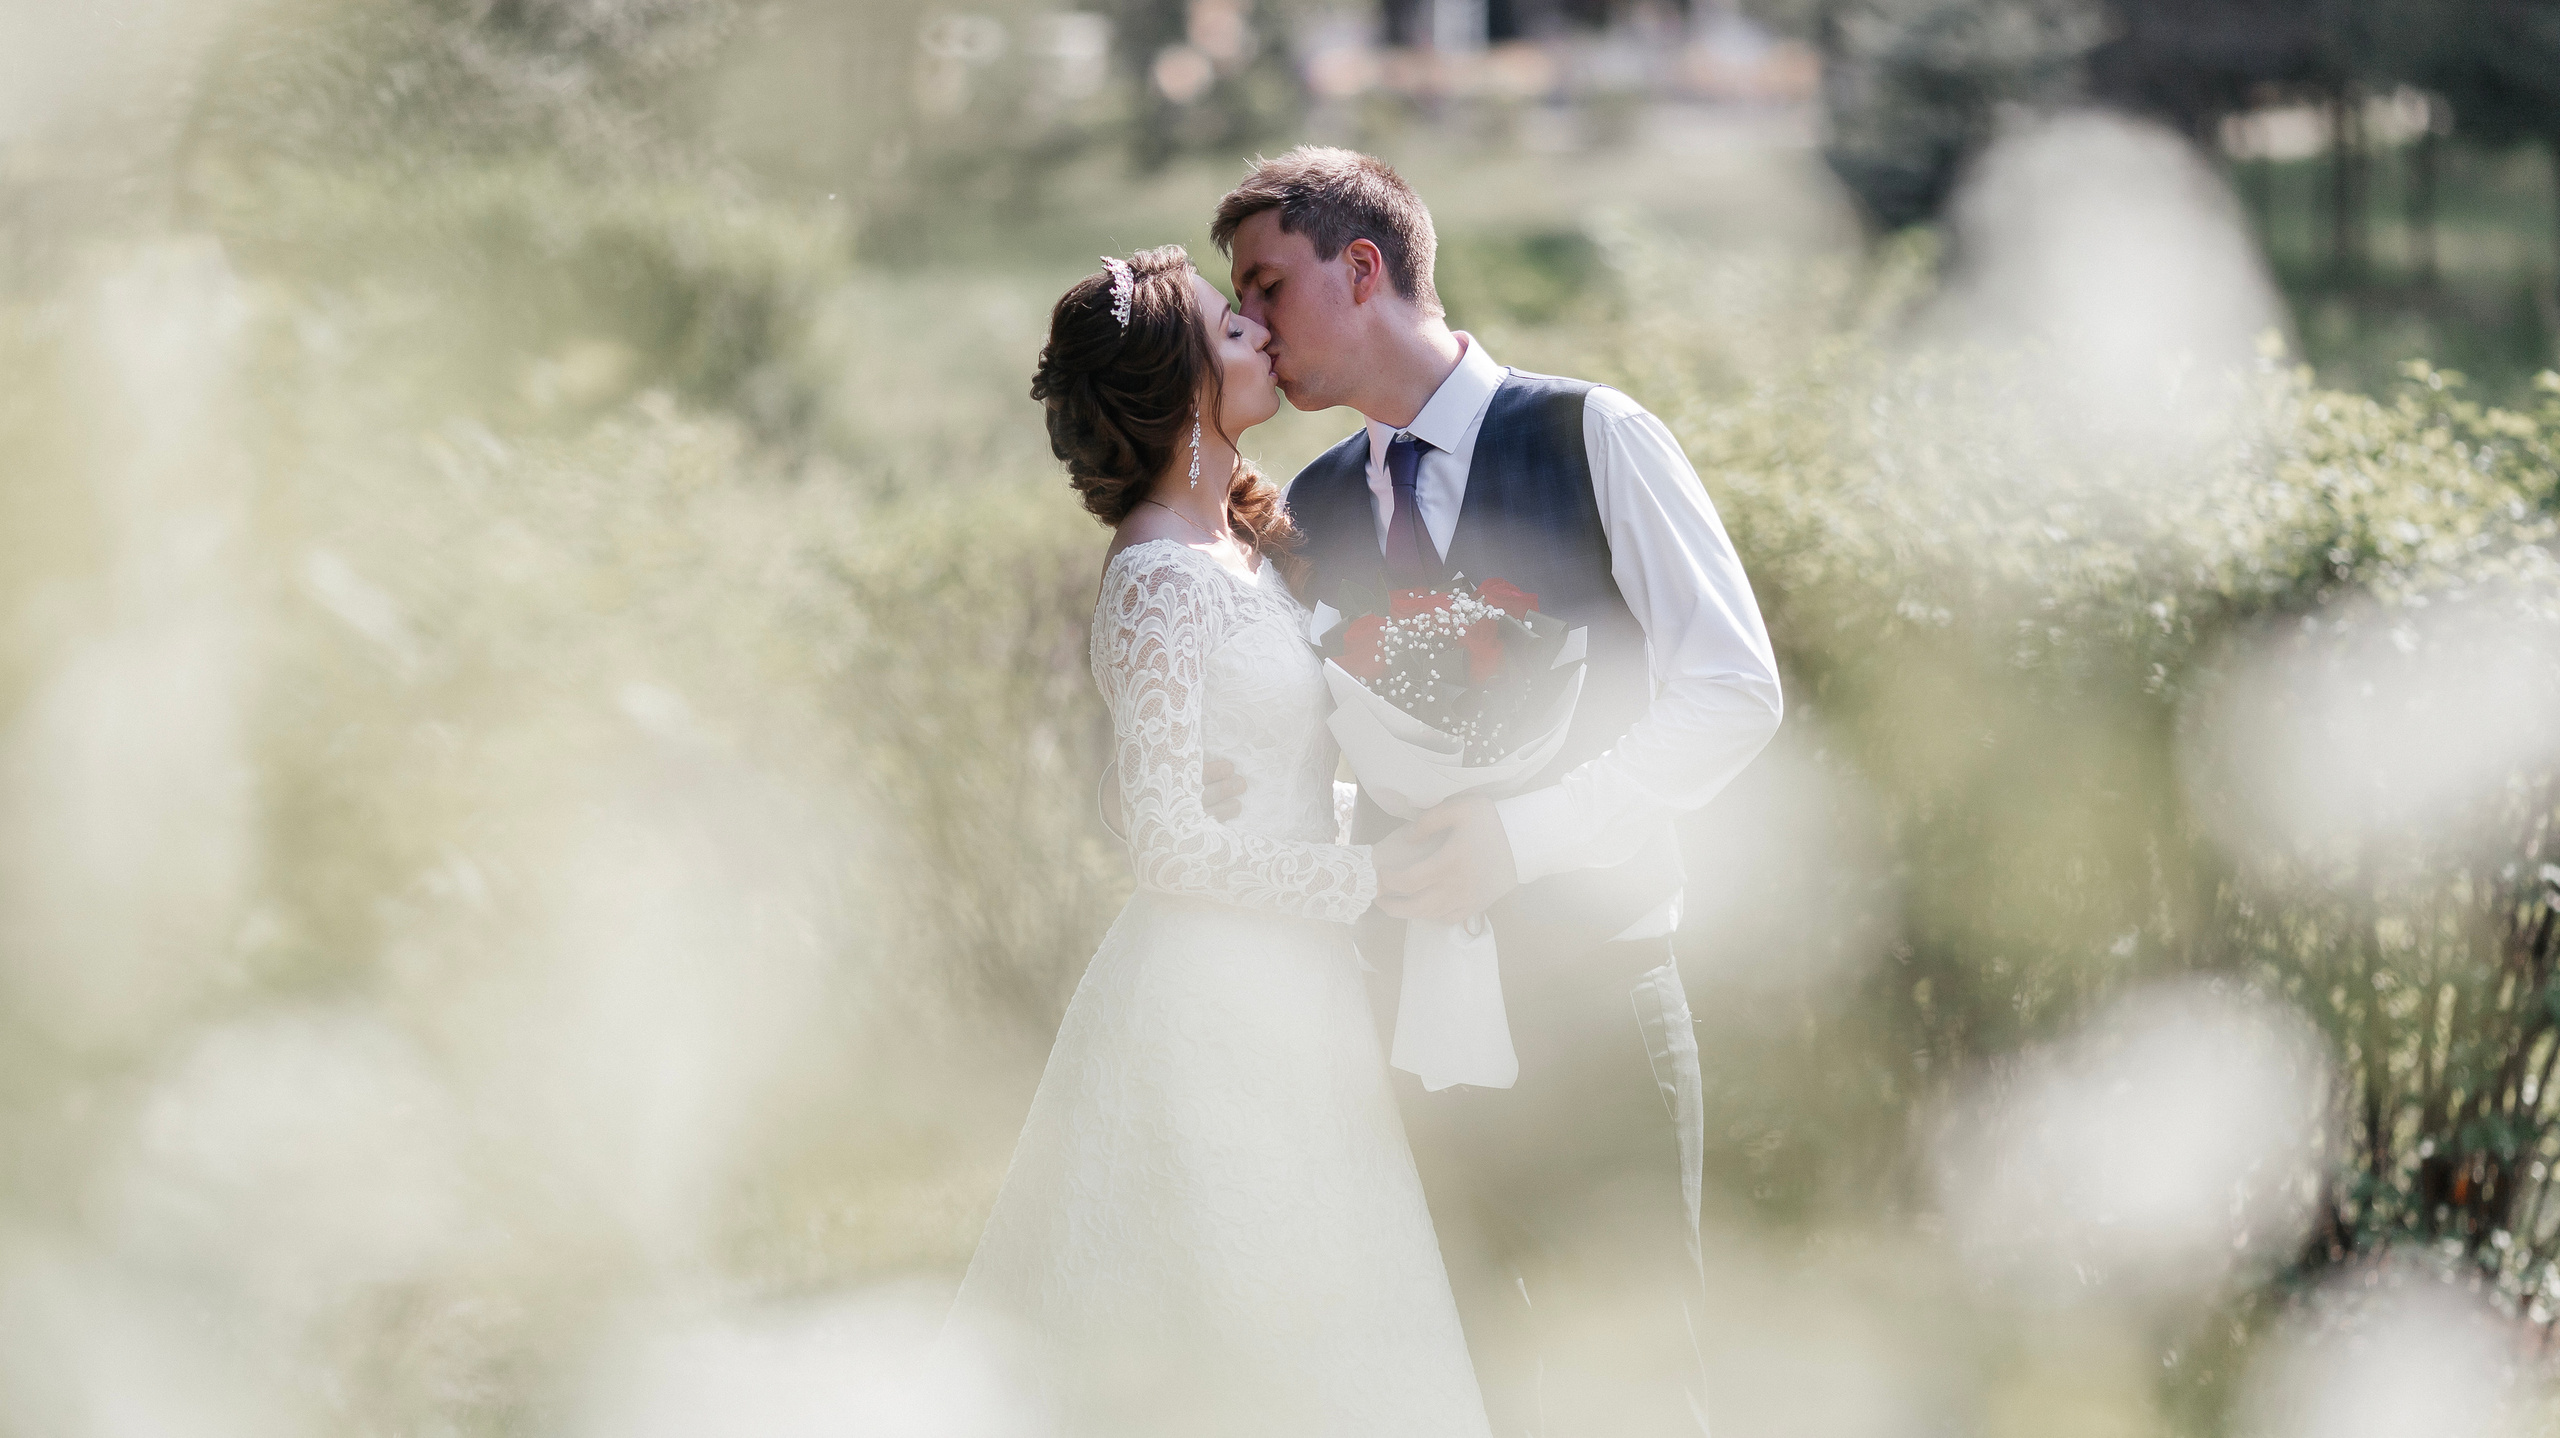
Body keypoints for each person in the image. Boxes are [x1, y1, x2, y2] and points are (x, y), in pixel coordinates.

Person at [1210, 147, 1783, 1434]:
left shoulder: (1595, 435)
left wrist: (1524, 836)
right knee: (1456, 1389)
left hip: (1598, 1007)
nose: (1245, 323)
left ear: (1363, 268)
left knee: (1637, 1391)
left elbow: (1732, 687)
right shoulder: (1306, 509)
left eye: (1264, 285)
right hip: (1401, 1016)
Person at [940, 245, 1492, 1438]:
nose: (1256, 331)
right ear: (1181, 384)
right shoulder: (1156, 572)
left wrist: (1385, 815)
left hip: (1294, 983)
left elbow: (1220, 786)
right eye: (1227, 328)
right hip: (1209, 998)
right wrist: (1369, 873)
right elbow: (1172, 850)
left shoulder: (1237, 549)